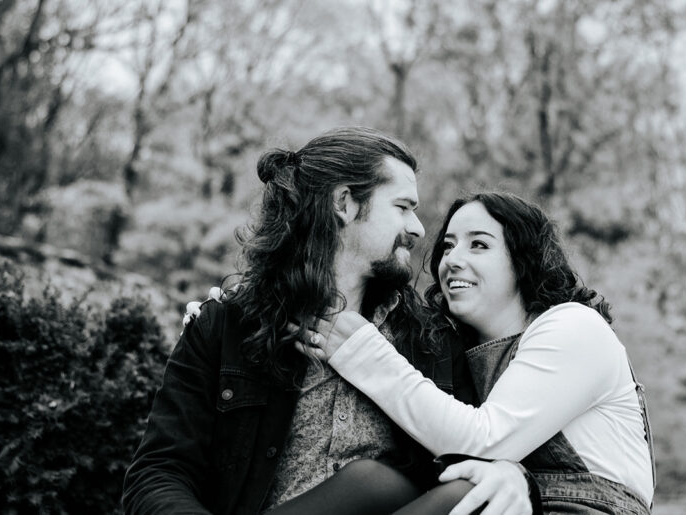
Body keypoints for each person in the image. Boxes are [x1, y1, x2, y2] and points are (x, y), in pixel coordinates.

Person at [123, 128, 533, 515]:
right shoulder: (227, 325)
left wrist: (511, 474)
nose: (418, 228)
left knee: (459, 491)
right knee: (371, 481)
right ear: (344, 203)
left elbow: (474, 450)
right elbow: (158, 474)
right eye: (403, 207)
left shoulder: (432, 338)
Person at [298, 192, 656, 515]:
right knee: (373, 482)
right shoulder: (459, 355)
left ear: (523, 259)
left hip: (580, 509)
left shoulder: (575, 326)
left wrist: (361, 351)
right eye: (448, 246)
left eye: (479, 245)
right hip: (506, 502)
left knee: (471, 493)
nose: (452, 259)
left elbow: (482, 444)